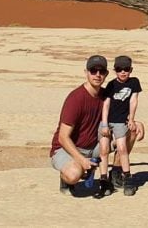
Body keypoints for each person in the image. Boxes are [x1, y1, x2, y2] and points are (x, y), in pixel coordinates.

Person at [50, 55, 110, 195]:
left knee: (128, 133)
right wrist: (82, 160)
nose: (97, 75)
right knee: (74, 174)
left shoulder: (106, 96)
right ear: (86, 72)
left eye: (101, 71)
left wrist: (135, 123)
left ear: (106, 74)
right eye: (93, 71)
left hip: (93, 147)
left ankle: (116, 175)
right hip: (67, 149)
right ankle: (65, 178)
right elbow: (63, 137)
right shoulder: (76, 98)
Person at [96, 55, 143, 197]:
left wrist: (132, 119)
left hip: (121, 122)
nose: (123, 72)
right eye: (119, 69)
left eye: (126, 69)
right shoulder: (111, 85)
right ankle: (104, 180)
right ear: (115, 70)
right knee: (103, 150)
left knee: (122, 148)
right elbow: (106, 105)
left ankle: (127, 177)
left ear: (131, 70)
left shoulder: (134, 83)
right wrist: (104, 124)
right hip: (107, 121)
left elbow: (133, 101)